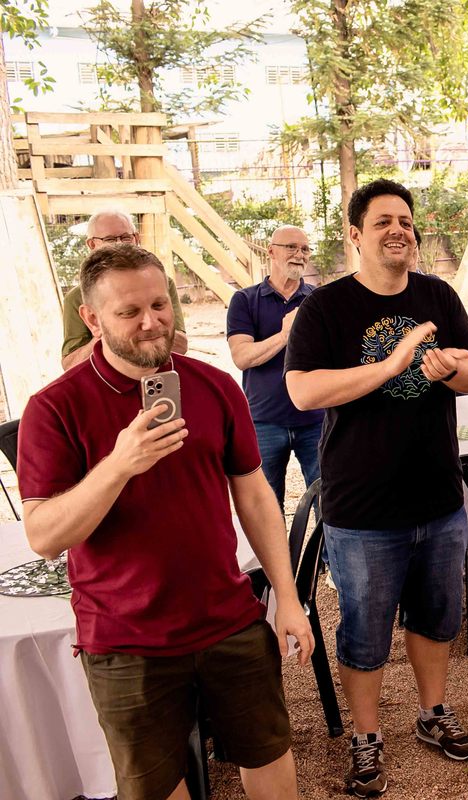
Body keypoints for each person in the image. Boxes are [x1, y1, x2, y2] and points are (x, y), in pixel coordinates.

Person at [18, 243, 314, 800]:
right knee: (155, 787)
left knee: (269, 755)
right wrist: (121, 463)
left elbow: (253, 494)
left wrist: (288, 596)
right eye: (129, 312)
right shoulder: (54, 407)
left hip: (228, 618)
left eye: (160, 304)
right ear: (91, 318)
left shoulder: (214, 385)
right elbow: (44, 536)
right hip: (124, 641)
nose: (151, 321)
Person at [285, 178, 468, 794]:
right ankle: (366, 737)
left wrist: (452, 369)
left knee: (436, 618)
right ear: (355, 234)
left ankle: (432, 714)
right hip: (362, 508)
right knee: (365, 630)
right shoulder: (326, 308)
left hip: (438, 499)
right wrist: (389, 365)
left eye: (405, 221)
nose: (398, 230)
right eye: (383, 222)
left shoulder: (438, 296)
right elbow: (303, 391)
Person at [226, 225, 323, 507]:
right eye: (291, 247)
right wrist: (284, 336)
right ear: (271, 251)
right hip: (264, 421)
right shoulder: (244, 300)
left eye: (305, 249)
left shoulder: (318, 300)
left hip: (314, 420)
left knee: (327, 503)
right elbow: (242, 357)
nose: (299, 254)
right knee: (265, 506)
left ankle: (325, 554)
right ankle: (276, 554)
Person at [62, 208, 188, 370]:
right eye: (110, 239)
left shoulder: (161, 283)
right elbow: (71, 365)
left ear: (136, 238)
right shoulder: (76, 297)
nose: (119, 244)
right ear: (92, 244)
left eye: (126, 237)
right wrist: (109, 332)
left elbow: (181, 346)